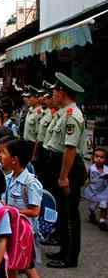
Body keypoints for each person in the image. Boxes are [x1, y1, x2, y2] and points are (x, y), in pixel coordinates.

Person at [43, 73, 86, 269]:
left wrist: (63, 177)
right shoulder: (64, 113)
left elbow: (70, 149)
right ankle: (63, 249)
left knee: (70, 214)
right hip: (60, 164)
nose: (53, 95)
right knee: (62, 209)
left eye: (55, 91)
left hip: (68, 167)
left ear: (62, 93)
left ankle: (70, 257)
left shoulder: (72, 116)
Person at [0, 139, 42, 278]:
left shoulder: (30, 183)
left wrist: (10, 211)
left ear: (14, 160)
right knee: (11, 263)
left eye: (4, 153)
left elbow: (35, 211)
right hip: (11, 229)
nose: (0, 156)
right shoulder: (8, 178)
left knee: (27, 265)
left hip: (25, 232)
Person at [83, 148, 108, 230]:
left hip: (104, 191)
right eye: (97, 156)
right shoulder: (91, 168)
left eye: (102, 157)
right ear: (93, 158)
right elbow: (87, 178)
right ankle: (92, 214)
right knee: (92, 207)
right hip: (93, 191)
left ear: (105, 159)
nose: (99, 159)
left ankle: (102, 221)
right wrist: (85, 184)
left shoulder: (107, 170)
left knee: (103, 205)